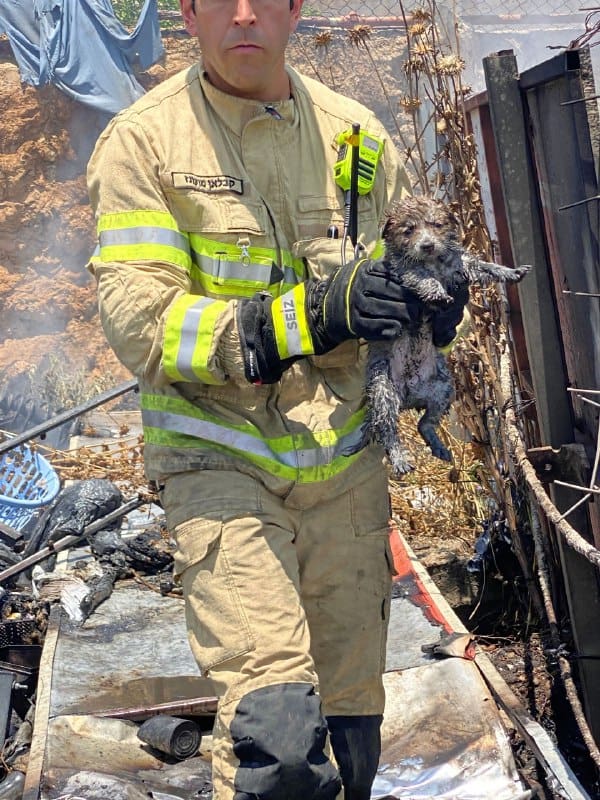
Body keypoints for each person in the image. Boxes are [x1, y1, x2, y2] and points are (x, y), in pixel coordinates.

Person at [86, 0, 468, 797]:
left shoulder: (356, 136)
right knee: (281, 743)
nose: (245, 15)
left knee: (352, 737)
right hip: (220, 460)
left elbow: (399, 284)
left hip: (347, 476)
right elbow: (142, 325)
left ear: (297, 8)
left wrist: (436, 316)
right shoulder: (145, 141)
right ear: (188, 11)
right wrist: (305, 316)